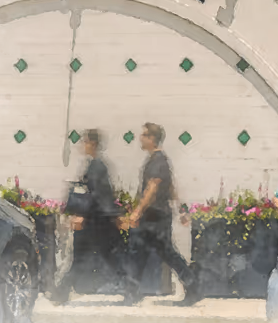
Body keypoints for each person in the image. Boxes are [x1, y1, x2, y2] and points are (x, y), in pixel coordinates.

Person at [52, 129, 141, 306]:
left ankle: (62, 292)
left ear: (92, 143)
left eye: (85, 142)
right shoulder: (97, 164)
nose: (83, 146)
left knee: (82, 258)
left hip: (95, 220)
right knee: (109, 257)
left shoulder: (96, 166)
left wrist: (81, 215)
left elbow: (94, 194)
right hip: (102, 219)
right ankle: (131, 291)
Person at [121, 122, 202, 306]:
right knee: (138, 253)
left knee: (163, 253)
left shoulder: (157, 161)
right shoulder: (158, 160)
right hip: (155, 214)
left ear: (151, 139)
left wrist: (137, 212)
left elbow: (153, 187)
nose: (140, 138)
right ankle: (131, 294)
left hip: (154, 215)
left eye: (143, 135)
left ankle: (193, 288)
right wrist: (180, 209)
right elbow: (171, 186)